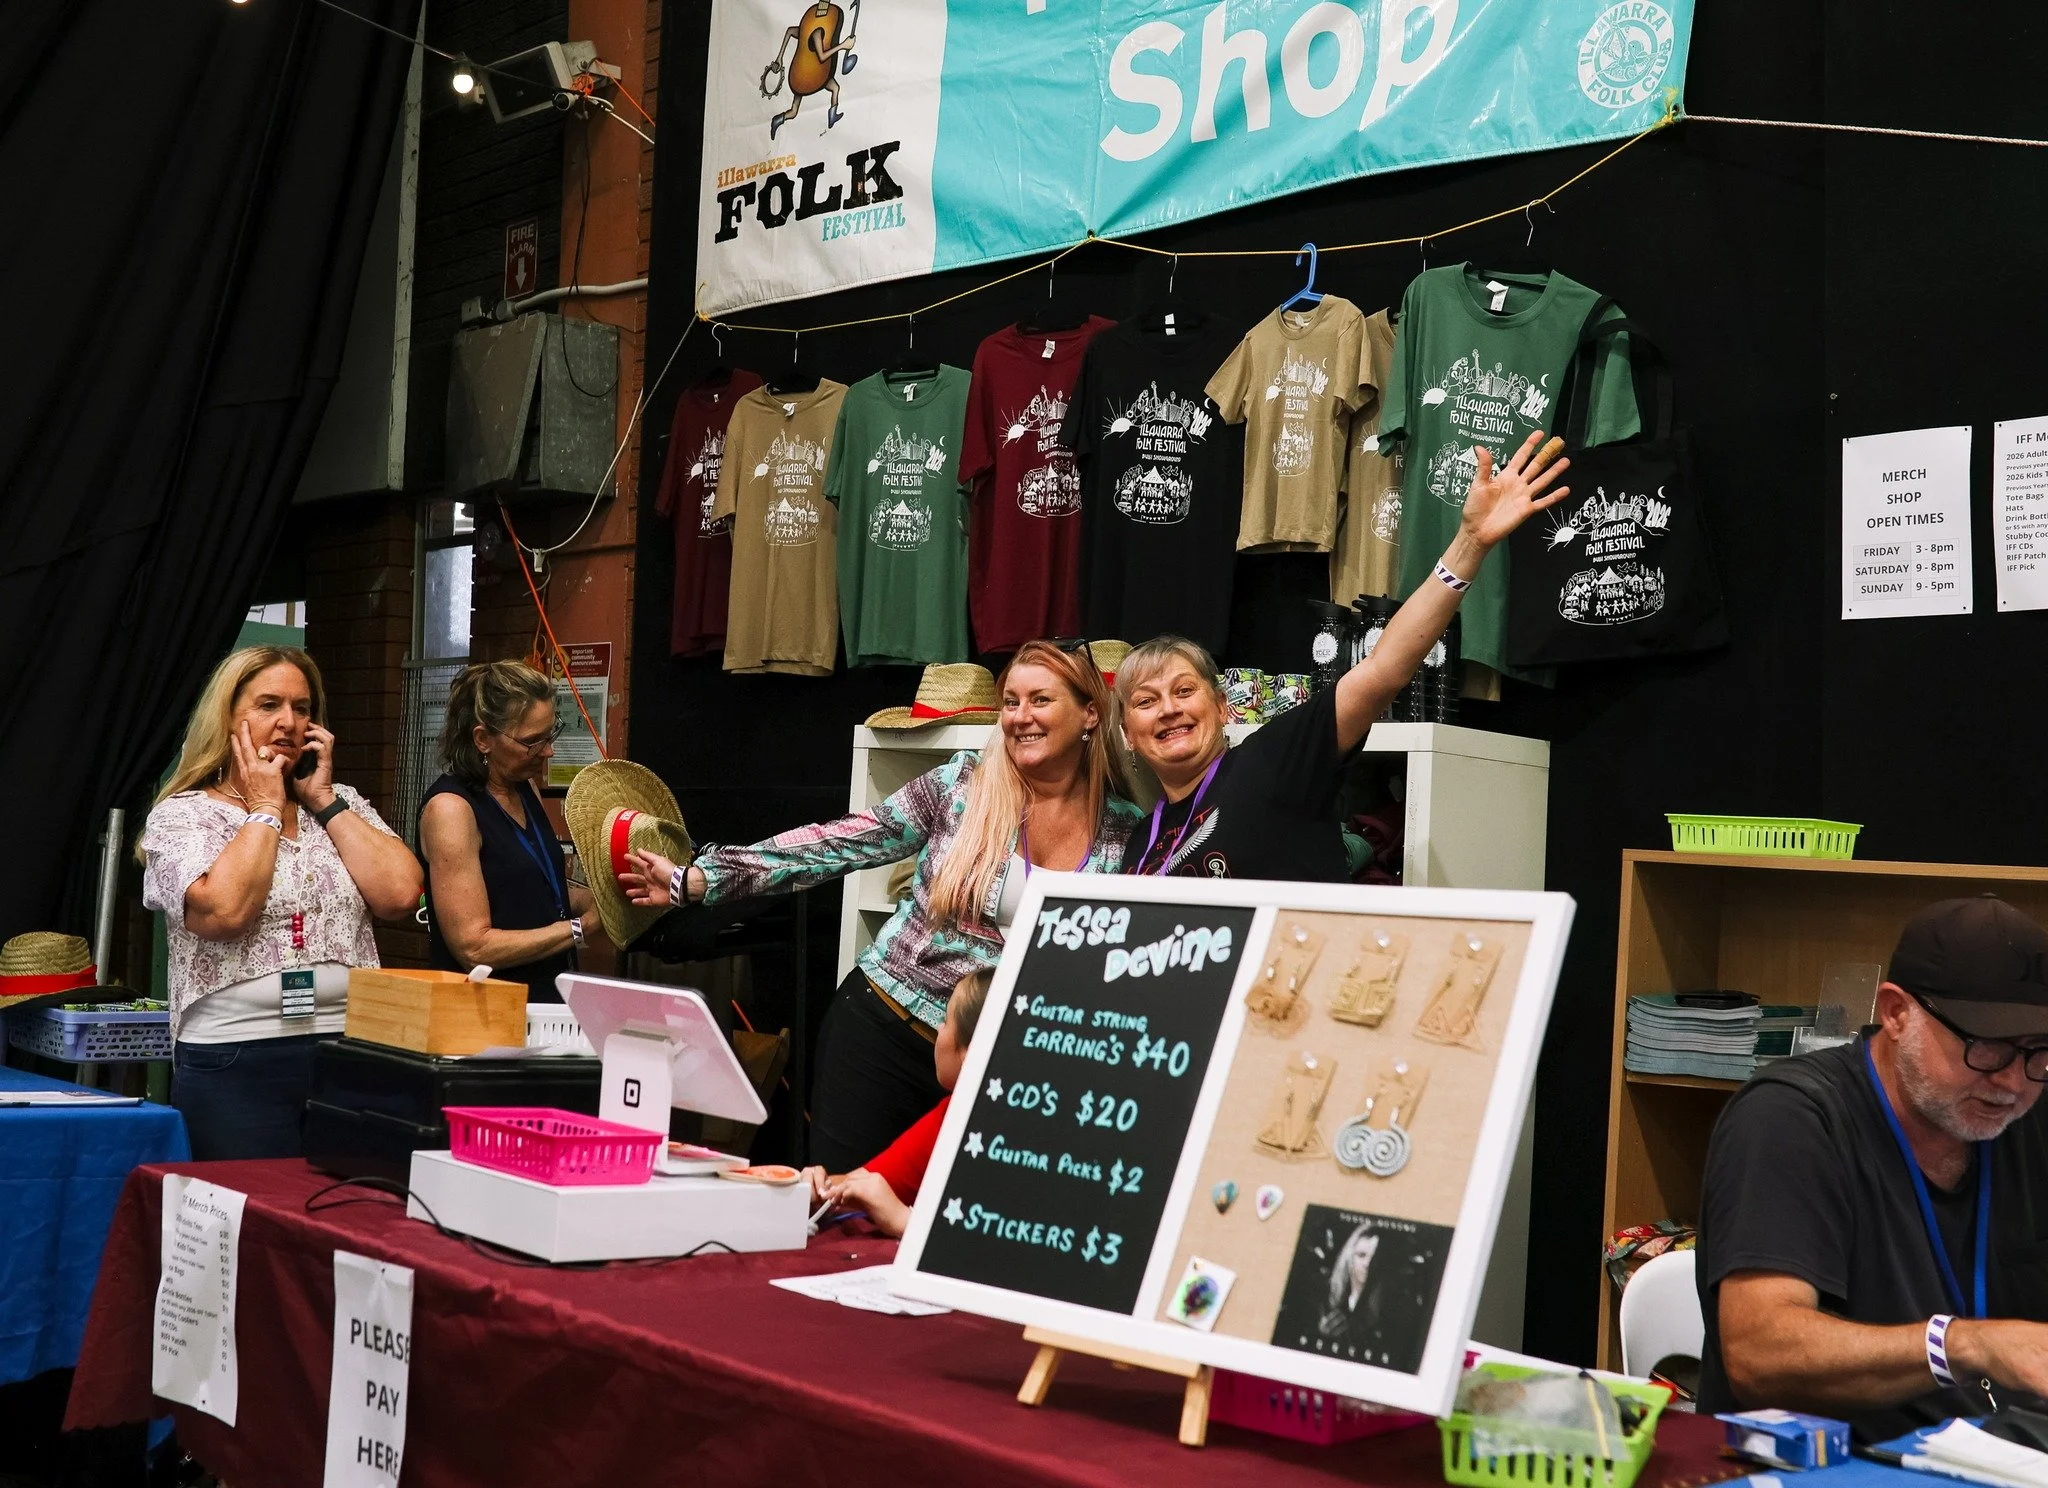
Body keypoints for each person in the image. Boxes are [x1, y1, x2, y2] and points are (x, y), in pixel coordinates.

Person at [617, 643, 1141, 1172]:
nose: (1021, 717)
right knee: (842, 1216)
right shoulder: (962, 787)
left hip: (1004, 1060)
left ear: (1090, 713)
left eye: (1040, 700)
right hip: (886, 1032)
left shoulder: (1125, 831)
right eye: (1011, 702)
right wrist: (705, 877)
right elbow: (840, 842)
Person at [1115, 428, 1571, 879]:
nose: (1169, 709)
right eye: (1145, 701)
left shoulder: (1275, 760)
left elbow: (1382, 670)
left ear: (1221, 706)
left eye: (1184, 690)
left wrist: (1471, 543)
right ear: (1128, 734)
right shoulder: (1139, 846)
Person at [1697, 897, 2048, 1442]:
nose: (2012, 1083)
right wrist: (1964, 1345)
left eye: (2038, 1053)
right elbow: (1760, 1355)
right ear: (1896, 1012)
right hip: (1835, 1465)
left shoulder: (2027, 1114)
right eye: (1986, 1048)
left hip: (2006, 1456)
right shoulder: (1791, 1118)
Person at [140, 646, 422, 1160]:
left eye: (302, 707)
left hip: (348, 1046)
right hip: (235, 1055)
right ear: (228, 717)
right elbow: (222, 914)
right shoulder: (184, 815)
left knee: (342, 1211)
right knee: (247, 1215)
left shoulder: (340, 803)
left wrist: (321, 799)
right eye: (268, 705)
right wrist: (267, 807)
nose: (288, 722)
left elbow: (401, 895)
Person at [419, 661, 597, 1002]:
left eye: (550, 734)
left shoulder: (523, 786)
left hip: (546, 1000)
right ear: (484, 739)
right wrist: (581, 927)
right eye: (532, 741)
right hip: (485, 1015)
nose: (548, 751)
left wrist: (600, 900)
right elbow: (474, 947)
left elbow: (528, 890)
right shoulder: (451, 810)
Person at [802, 968, 991, 1237]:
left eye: (946, 1020)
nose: (938, 1029)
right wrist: (818, 1187)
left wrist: (904, 1220)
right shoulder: (952, 1113)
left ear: (970, 1052)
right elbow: (868, 1183)